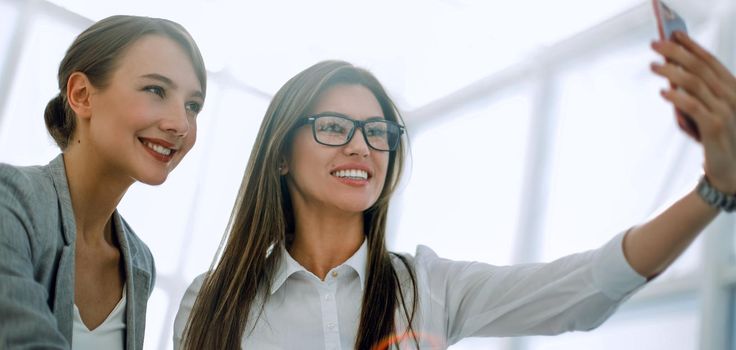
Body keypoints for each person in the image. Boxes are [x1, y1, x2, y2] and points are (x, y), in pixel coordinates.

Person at [174, 32, 735, 349]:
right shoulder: (213, 303)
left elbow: (584, 288)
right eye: (332, 128)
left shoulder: (429, 287)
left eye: (377, 132)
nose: (360, 147)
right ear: (279, 155)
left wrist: (713, 191)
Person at [0, 15, 206, 350]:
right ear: (81, 94)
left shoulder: (139, 263)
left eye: (193, 106)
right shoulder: (10, 201)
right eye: (155, 89)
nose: (181, 124)